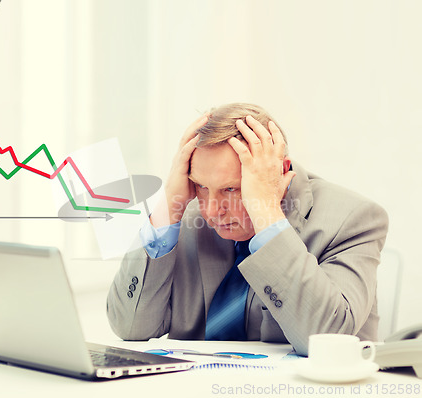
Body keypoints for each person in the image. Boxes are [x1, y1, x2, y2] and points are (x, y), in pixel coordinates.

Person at [106, 103, 388, 355]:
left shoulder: (354, 218)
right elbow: (131, 328)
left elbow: (327, 339)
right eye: (202, 186)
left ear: (278, 173)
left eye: (232, 189)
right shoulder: (186, 214)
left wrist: (266, 214)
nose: (212, 211)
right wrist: (169, 204)